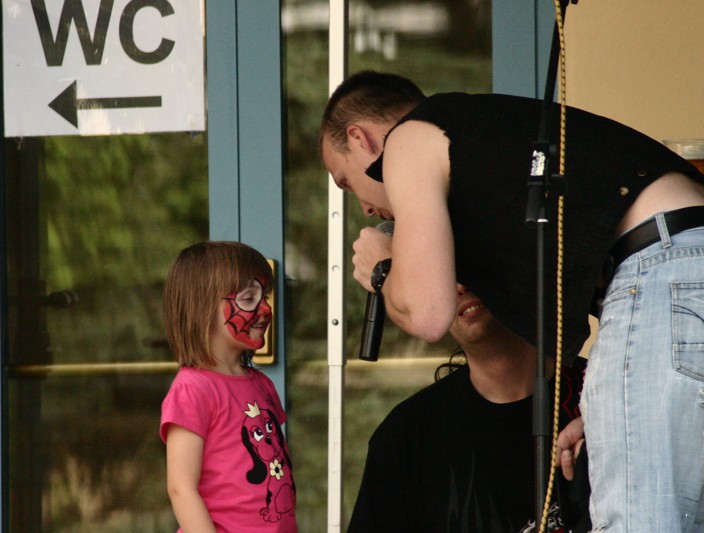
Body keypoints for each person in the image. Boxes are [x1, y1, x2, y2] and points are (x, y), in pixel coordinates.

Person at [320, 70, 704, 531]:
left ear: (359, 138)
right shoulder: (478, 147)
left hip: (663, 262)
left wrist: (383, 269)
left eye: (345, 181)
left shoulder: (409, 138)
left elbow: (428, 313)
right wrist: (610, 414)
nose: (364, 207)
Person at [347, 284, 586, 532]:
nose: (460, 286)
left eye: (475, 266)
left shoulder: (600, 398)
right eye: (448, 272)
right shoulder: (406, 434)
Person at [158, 241, 297, 533]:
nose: (265, 309)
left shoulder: (261, 384)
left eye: (264, 297)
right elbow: (181, 488)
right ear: (203, 307)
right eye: (249, 299)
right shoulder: (192, 390)